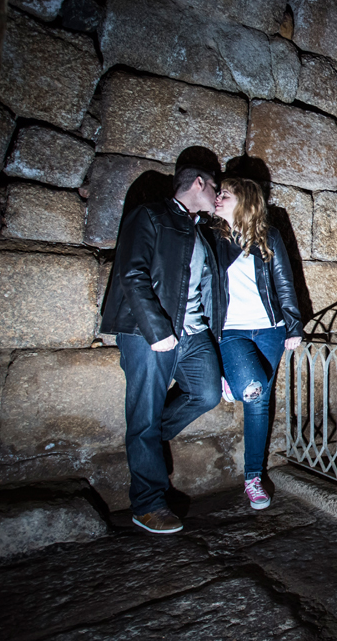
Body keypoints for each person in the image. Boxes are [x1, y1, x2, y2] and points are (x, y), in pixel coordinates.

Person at [100, 164, 224, 534]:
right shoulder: (150, 215)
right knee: (145, 414)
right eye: (215, 187)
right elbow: (132, 273)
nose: (217, 195)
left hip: (194, 334)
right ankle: (148, 503)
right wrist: (156, 329)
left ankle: (147, 440)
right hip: (149, 332)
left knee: (207, 393)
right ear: (198, 183)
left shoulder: (201, 230)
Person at [212, 177, 303, 510]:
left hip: (270, 330)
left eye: (225, 194)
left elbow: (285, 283)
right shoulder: (212, 238)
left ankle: (253, 477)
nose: (217, 198)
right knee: (251, 389)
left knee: (258, 401)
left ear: (245, 200)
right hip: (232, 331)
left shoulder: (270, 237)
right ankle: (232, 381)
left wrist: (293, 326)